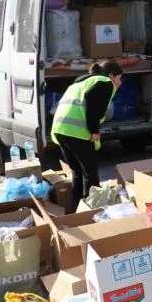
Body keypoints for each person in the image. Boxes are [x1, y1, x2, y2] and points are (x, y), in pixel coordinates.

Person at [51, 60, 124, 202]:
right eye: (119, 78)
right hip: (76, 132)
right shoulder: (105, 82)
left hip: (60, 129)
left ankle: (79, 208)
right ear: (111, 75)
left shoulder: (80, 82)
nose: (120, 83)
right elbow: (91, 100)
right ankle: (93, 209)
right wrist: (94, 130)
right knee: (90, 174)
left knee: (77, 171)